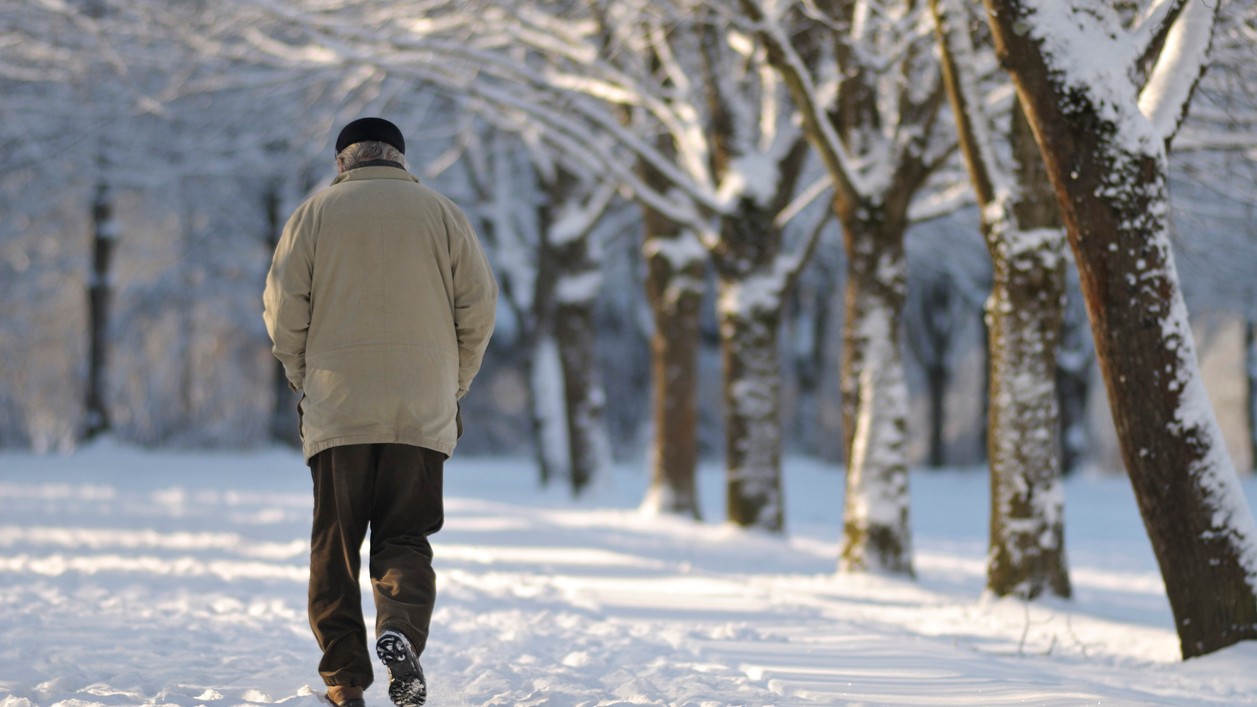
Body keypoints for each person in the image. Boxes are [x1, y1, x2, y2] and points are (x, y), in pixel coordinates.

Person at [263, 117, 498, 707]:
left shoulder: (314, 215)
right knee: (406, 536)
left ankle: (344, 679)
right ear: (399, 157)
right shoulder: (443, 214)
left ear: (343, 161)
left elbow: (282, 311)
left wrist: (305, 379)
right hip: (421, 408)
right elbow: (478, 308)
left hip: (339, 406)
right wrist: (452, 384)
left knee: (335, 544)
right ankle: (399, 631)